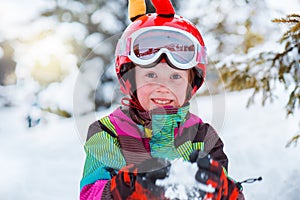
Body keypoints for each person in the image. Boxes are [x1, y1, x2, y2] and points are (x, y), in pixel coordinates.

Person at [80, 0, 244, 199]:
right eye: (151, 75)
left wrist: (224, 191)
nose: (163, 88)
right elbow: (90, 194)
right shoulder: (108, 133)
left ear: (191, 85)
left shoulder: (202, 137)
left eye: (175, 77)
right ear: (130, 81)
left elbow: (225, 190)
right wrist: (127, 187)